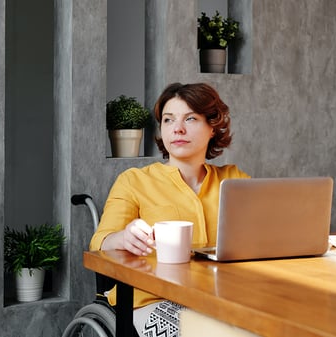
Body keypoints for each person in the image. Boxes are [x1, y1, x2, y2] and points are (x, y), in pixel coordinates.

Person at [89, 82, 250, 337]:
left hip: (222, 298)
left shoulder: (234, 180)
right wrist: (123, 237)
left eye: (191, 118)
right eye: (168, 120)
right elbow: (100, 242)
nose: (178, 128)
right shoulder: (134, 181)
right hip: (153, 301)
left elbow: (265, 235)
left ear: (212, 127)